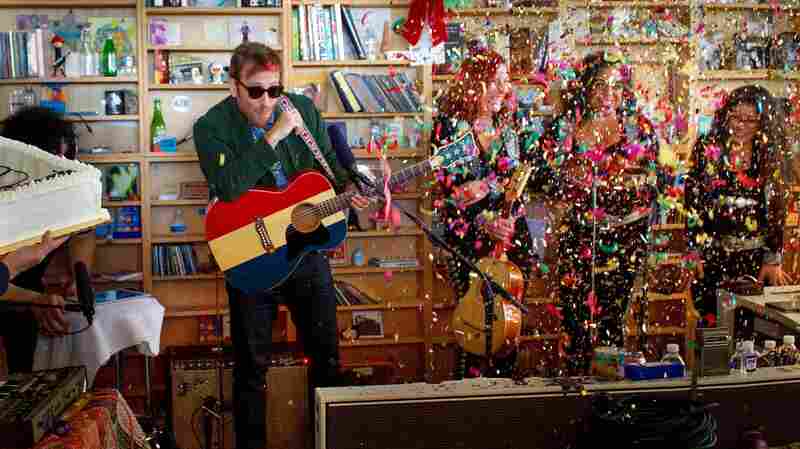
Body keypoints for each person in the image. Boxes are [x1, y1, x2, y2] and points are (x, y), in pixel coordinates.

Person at [193, 42, 369, 449]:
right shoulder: (210, 128)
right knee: (251, 371)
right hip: (251, 256)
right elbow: (229, 186)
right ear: (233, 87)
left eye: (275, 90)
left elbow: (330, 164)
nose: (268, 100)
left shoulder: (301, 111)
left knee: (327, 360)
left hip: (303, 251)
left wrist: (350, 186)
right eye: (256, 91)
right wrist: (272, 136)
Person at [525, 51, 662, 374]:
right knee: (575, 319)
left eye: (616, 87)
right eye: (600, 85)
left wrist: (633, 179)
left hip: (627, 237)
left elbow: (658, 182)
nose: (608, 95)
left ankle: (608, 392)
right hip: (578, 235)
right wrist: (565, 176)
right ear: (585, 87)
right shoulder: (565, 126)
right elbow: (538, 175)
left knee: (614, 318)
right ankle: (578, 386)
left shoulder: (637, 127)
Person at [432, 43, 535, 378]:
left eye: (506, 81)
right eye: (495, 81)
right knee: (476, 326)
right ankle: (470, 400)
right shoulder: (448, 126)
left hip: (511, 234)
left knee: (509, 327)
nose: (504, 89)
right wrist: (482, 218)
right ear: (473, 83)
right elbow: (449, 193)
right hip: (468, 239)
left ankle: (506, 398)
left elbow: (524, 174)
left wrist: (494, 198)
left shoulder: (512, 122)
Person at [0, 106, 97, 373]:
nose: (62, 168)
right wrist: (30, 300)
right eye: (55, 160)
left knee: (24, 373)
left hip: (23, 286)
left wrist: (80, 278)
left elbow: (84, 232)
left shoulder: (63, 183)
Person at [686, 85, 791, 318]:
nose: (740, 125)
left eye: (751, 120)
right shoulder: (708, 148)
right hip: (714, 257)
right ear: (725, 116)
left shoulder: (770, 154)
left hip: (754, 259)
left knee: (753, 328)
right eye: (735, 117)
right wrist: (693, 251)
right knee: (713, 328)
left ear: (764, 123)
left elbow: (777, 209)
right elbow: (692, 203)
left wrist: (773, 258)